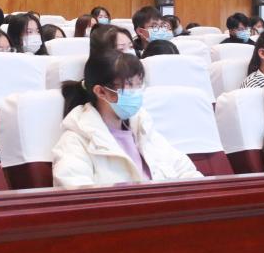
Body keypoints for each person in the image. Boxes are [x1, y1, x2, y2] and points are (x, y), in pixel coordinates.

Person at [52, 51, 202, 187]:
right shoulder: (75, 141)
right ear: (101, 92)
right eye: (129, 85)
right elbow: (77, 194)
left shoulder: (143, 128)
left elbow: (185, 171)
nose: (136, 92)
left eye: (139, 84)